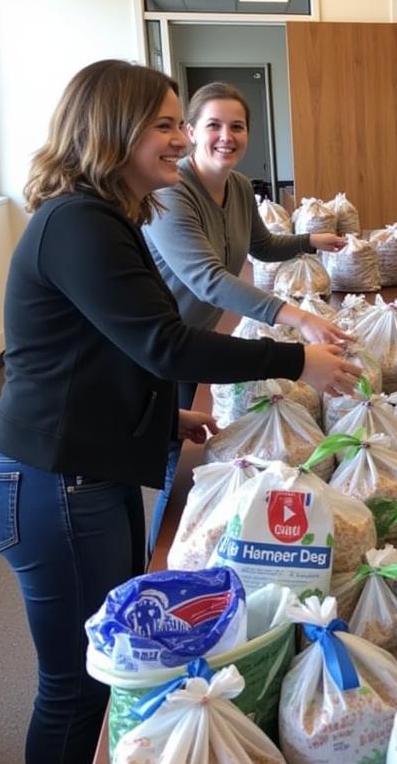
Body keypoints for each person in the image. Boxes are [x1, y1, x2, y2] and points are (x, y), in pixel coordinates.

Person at [0, 60, 361, 764]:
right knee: (76, 682)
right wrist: (295, 360)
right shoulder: (79, 224)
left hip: (93, 468)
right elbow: (160, 340)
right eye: (164, 124)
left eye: (175, 123)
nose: (181, 138)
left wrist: (169, 418)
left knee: (107, 669)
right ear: (111, 130)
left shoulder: (110, 216)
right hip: (54, 482)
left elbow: (110, 351)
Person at [142, 81, 349, 550]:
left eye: (236, 127)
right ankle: (169, 552)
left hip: (192, 337)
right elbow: (208, 279)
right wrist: (295, 317)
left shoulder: (236, 187)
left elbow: (259, 245)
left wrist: (309, 241)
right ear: (191, 131)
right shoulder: (173, 193)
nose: (226, 136)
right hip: (156, 343)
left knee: (190, 441)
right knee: (177, 466)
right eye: (213, 125)